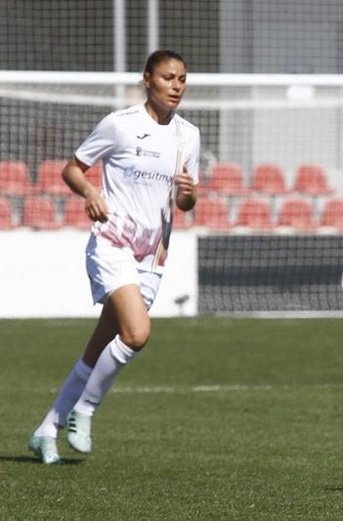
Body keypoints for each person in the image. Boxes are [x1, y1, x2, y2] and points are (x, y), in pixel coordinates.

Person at [28, 50, 200, 464]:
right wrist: (90, 193)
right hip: (113, 242)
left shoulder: (187, 135)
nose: (176, 86)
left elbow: (185, 201)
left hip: (152, 254)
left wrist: (190, 195)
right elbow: (72, 168)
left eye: (181, 79)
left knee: (99, 346)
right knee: (137, 334)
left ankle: (47, 429)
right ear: (147, 79)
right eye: (167, 78)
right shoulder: (120, 126)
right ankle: (84, 411)